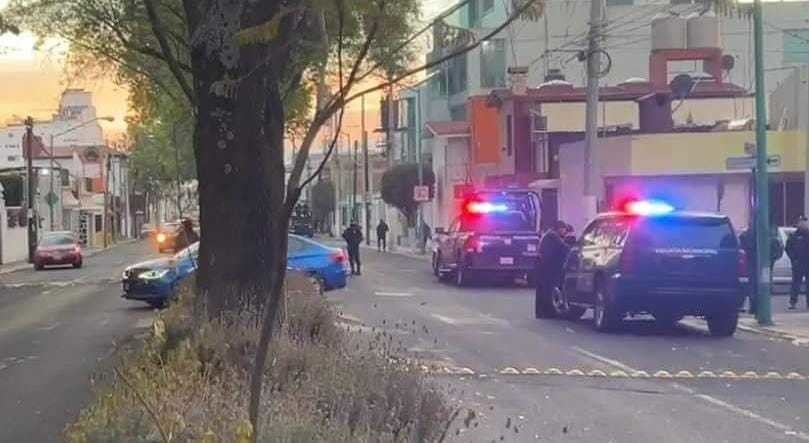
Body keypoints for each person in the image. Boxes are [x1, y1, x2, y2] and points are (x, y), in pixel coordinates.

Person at [740, 225, 784, 314]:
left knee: (761, 285)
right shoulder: (751, 235)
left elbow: (777, 249)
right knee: (757, 285)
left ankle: (757, 307)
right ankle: (756, 307)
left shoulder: (767, 236)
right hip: (756, 264)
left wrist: (772, 259)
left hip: (762, 265)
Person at [535, 221, 572, 303]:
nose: (565, 232)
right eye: (564, 229)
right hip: (548, 268)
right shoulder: (553, 236)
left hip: (543, 266)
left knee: (543, 290)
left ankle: (543, 311)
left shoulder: (548, 235)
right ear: (560, 228)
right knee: (549, 289)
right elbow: (565, 248)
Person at [786, 217, 809, 310]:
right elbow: (788, 248)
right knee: (796, 284)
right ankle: (793, 302)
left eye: (805, 223)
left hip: (808, 263)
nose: (803, 224)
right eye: (801, 223)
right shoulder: (794, 236)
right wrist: (793, 259)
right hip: (797, 263)